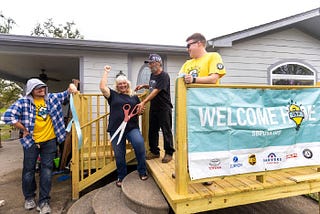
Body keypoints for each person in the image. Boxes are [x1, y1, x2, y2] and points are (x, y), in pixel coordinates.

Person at [1, 78, 78, 214]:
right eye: (38, 88)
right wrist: (23, 129)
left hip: (50, 141)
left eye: (43, 87)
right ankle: (29, 197)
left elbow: (67, 92)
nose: (42, 89)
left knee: (47, 170)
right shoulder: (23, 102)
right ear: (31, 90)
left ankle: (44, 201)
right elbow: (8, 116)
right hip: (31, 141)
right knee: (29, 170)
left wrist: (72, 86)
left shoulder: (52, 98)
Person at [99, 65, 148, 188]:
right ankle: (121, 176)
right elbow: (102, 87)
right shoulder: (113, 95)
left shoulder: (134, 97)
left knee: (139, 145)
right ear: (117, 85)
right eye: (120, 84)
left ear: (128, 84)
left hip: (132, 128)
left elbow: (138, 112)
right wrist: (106, 72)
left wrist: (141, 110)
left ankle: (142, 171)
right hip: (116, 129)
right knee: (119, 154)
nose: (122, 85)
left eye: (124, 83)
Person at [135, 54, 175, 163]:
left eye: (151, 63)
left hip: (164, 108)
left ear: (158, 63)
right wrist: (144, 86)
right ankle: (155, 151)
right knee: (152, 130)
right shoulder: (153, 75)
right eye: (149, 63)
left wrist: (143, 102)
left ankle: (169, 152)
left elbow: (156, 90)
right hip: (154, 107)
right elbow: (153, 86)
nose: (149, 65)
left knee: (166, 131)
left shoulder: (164, 75)